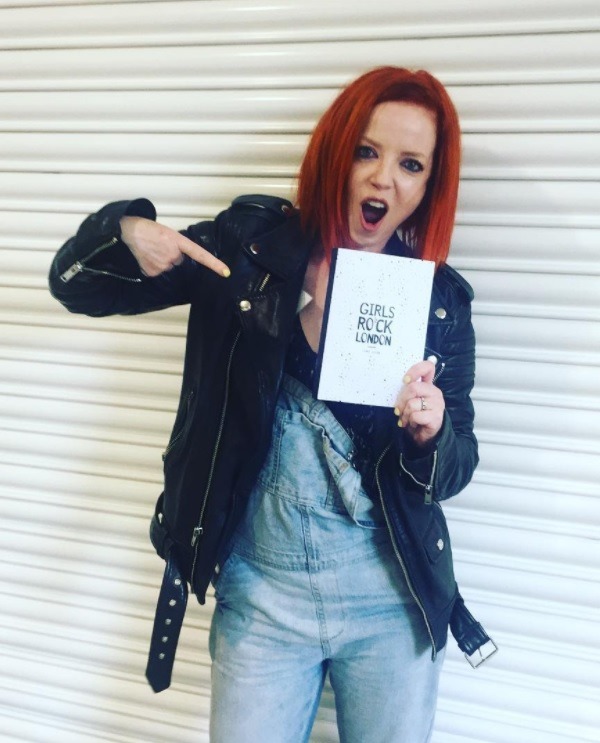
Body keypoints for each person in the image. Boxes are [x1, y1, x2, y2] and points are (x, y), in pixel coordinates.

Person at [49, 66, 495, 743]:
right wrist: (126, 230)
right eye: (367, 151)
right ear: (335, 153)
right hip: (262, 599)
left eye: (411, 164)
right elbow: (75, 285)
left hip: (389, 605)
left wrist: (430, 434)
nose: (383, 179)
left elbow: (456, 468)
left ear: (430, 186)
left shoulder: (438, 305)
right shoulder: (246, 251)